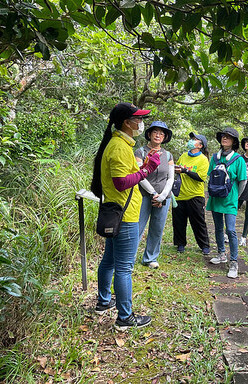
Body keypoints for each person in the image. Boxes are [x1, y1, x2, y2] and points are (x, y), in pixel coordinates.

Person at [90, 102, 160, 330]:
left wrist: (144, 165)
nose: (140, 123)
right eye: (137, 119)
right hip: (125, 215)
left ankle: (103, 301)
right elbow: (122, 183)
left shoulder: (118, 144)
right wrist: (148, 170)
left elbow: (123, 176)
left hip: (114, 212)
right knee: (124, 268)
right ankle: (125, 317)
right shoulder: (119, 147)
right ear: (126, 123)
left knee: (109, 260)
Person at [207, 127, 247, 279]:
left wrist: (237, 197)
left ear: (234, 142)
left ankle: (234, 261)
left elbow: (243, 181)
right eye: (223, 136)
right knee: (217, 228)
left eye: (228, 137)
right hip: (215, 198)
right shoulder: (215, 158)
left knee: (230, 230)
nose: (225, 139)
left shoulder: (238, 159)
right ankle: (221, 253)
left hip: (230, 200)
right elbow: (211, 176)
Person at [135, 121, 174, 269]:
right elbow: (140, 175)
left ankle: (150, 258)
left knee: (157, 228)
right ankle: (129, 257)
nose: (158, 135)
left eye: (162, 133)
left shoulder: (168, 155)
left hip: (164, 196)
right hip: (144, 194)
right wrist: (153, 193)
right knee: (137, 226)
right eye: (155, 132)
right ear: (149, 134)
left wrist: (162, 196)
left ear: (165, 137)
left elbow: (170, 178)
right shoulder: (140, 152)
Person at [172, 132, 211, 255]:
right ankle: (180, 244)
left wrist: (185, 170)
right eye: (192, 139)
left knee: (198, 222)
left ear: (200, 145)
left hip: (195, 195)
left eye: (195, 139)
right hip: (180, 194)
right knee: (178, 221)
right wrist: (177, 169)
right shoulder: (183, 156)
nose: (191, 141)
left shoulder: (203, 160)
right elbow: (178, 169)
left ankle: (204, 245)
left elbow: (201, 177)